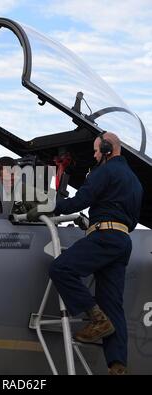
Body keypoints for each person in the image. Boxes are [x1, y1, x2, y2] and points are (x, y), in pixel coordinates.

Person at [27, 132, 143, 375]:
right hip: (122, 240)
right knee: (113, 305)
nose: (94, 155)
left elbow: (80, 201)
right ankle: (117, 366)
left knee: (61, 268)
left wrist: (46, 208)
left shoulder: (106, 171)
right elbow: (131, 222)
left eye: (96, 150)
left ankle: (95, 318)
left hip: (104, 236)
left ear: (108, 149)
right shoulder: (134, 181)